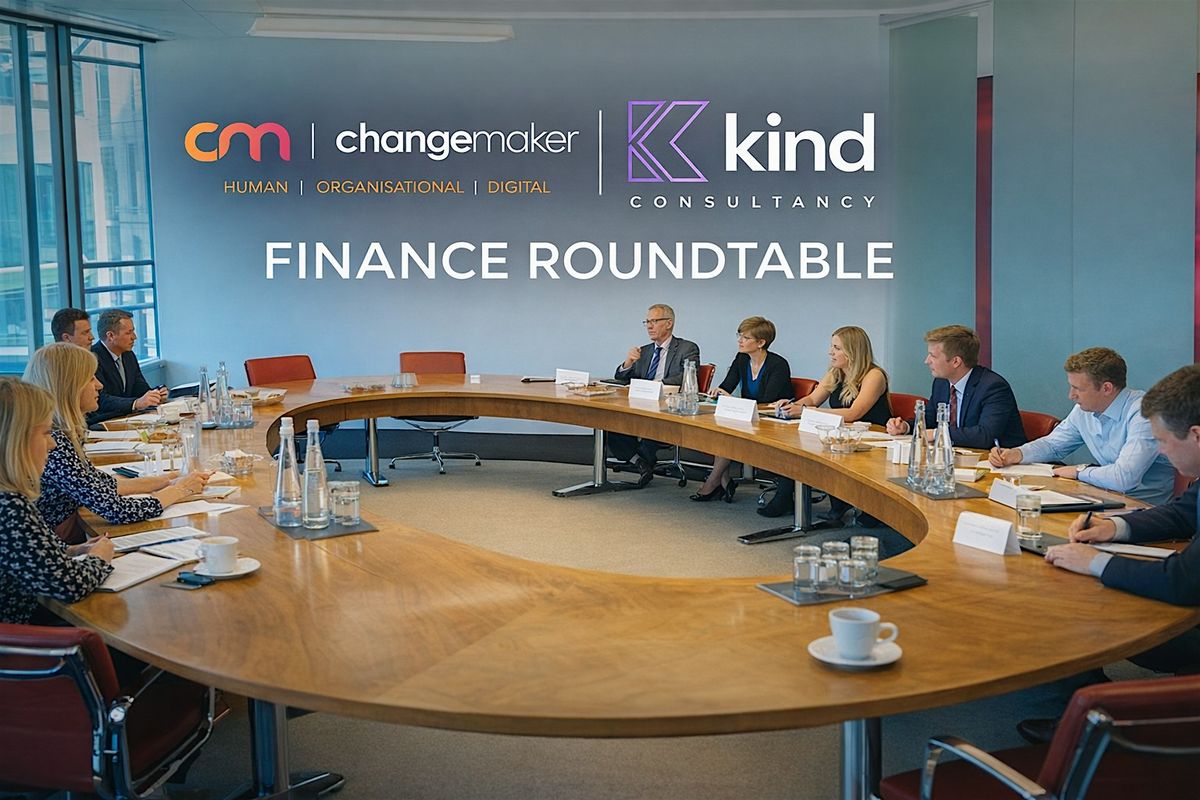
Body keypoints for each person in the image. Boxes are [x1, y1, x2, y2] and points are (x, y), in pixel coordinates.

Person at [23, 343, 209, 535]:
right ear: (69, 387)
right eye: (91, 378)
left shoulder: (63, 434)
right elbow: (117, 510)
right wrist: (180, 490)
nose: (99, 385)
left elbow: (101, 484)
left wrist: (167, 480)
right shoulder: (54, 442)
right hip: (57, 543)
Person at [989, 347, 1175, 505]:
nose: (1071, 395)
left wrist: (1078, 471)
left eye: (1078, 388)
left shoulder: (1144, 413)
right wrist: (1017, 454)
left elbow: (1124, 477)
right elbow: (1053, 445)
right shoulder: (1084, 409)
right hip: (1103, 497)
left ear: (1106, 388)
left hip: (1144, 508)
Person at [0, 377, 113, 624]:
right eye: (45, 433)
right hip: (27, 637)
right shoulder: (10, 506)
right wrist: (100, 556)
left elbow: (28, 553)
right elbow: (70, 585)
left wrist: (73, 550)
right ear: (16, 440)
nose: (52, 444)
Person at [763, 326, 892, 520]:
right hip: (844, 436)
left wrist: (807, 411)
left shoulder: (874, 375)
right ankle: (788, 498)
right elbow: (813, 399)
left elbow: (854, 413)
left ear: (853, 351)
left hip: (872, 440)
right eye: (832, 346)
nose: (830, 352)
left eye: (837, 348)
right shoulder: (836, 372)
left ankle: (849, 503)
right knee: (795, 444)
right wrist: (793, 405)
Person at [690, 317, 792, 502]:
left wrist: (734, 401)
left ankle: (714, 482)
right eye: (739, 336)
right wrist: (718, 392)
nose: (740, 341)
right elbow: (727, 386)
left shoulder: (778, 365)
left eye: (746, 337)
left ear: (761, 343)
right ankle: (723, 480)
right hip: (747, 417)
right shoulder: (742, 359)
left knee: (727, 434)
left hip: (771, 421)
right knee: (720, 430)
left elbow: (766, 401)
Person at [885, 324, 1026, 449]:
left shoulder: (993, 387)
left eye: (933, 356)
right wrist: (905, 427)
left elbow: (985, 435)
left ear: (956, 361)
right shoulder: (941, 383)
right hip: (956, 457)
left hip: (998, 462)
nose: (927, 361)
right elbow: (930, 419)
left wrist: (938, 433)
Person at [608, 304, 701, 486]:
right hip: (640, 404)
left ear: (669, 323)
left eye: (654, 321)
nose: (649, 326)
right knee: (611, 421)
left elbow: (686, 376)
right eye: (647, 322)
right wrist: (628, 362)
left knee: (651, 421)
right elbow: (620, 377)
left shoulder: (687, 348)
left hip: (668, 405)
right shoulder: (644, 351)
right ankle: (640, 462)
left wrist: (655, 386)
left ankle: (644, 460)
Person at [88, 309, 167, 425]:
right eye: (129, 333)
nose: (134, 337)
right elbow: (101, 400)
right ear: (110, 336)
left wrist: (156, 394)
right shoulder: (92, 358)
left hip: (129, 419)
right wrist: (136, 403)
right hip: (105, 423)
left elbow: (139, 387)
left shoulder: (128, 355)